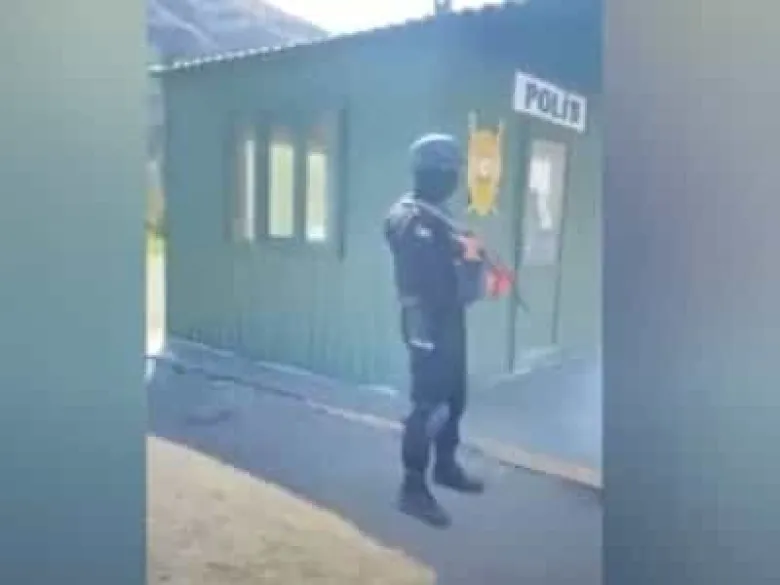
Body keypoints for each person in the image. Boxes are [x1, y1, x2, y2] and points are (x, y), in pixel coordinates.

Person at [383, 133, 486, 528]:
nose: (454, 179)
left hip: (449, 318)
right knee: (429, 406)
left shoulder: (436, 215)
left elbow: (451, 272)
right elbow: (434, 282)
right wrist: (469, 261)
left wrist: (463, 250)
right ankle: (412, 489)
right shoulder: (410, 218)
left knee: (455, 398)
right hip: (426, 319)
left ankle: (445, 466)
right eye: (450, 172)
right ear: (433, 173)